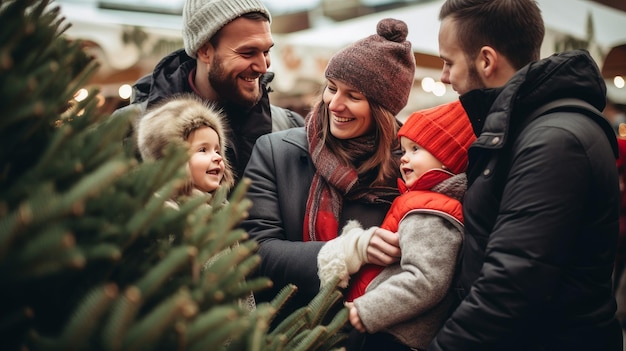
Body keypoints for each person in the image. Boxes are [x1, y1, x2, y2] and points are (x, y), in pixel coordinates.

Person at [428, 0, 622, 350]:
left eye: (448, 62)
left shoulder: (554, 140)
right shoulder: (530, 129)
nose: (444, 76)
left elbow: (511, 283)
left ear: (486, 60)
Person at [240, 18, 416, 326]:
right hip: (289, 334)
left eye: (353, 96)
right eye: (332, 88)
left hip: (372, 336)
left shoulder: (408, 168)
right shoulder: (275, 151)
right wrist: (348, 251)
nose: (335, 104)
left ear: (382, 110)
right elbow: (255, 252)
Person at [316, 100, 475, 350]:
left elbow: (426, 280)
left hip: (396, 335)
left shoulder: (431, 211)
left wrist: (368, 309)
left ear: (446, 158)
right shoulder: (423, 200)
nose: (404, 158)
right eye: (403, 150)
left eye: (416, 149)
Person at [116, 0, 304, 181]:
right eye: (247, 53)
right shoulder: (126, 131)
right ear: (204, 51)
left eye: (266, 52)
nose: (263, 67)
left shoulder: (289, 128)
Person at [137, 94, 234, 205]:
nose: (218, 157)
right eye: (203, 150)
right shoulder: (161, 210)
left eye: (217, 151)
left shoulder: (222, 209)